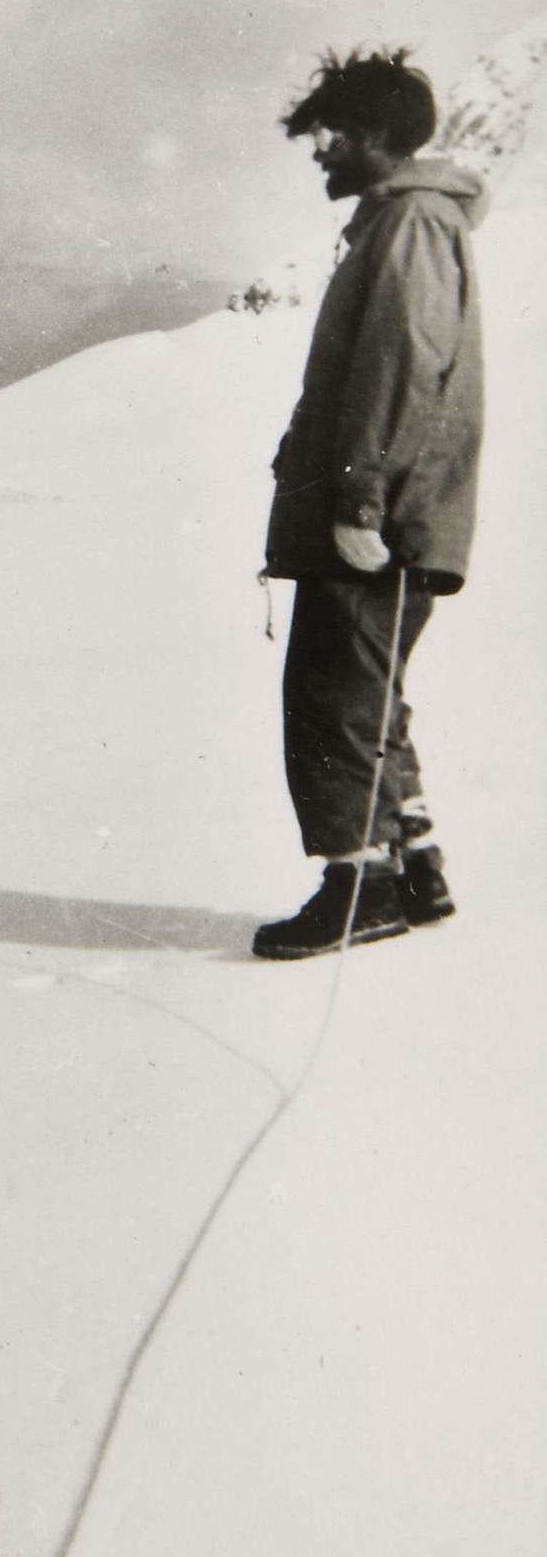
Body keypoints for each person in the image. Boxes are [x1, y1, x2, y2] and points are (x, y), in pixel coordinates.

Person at [253, 48, 486, 961]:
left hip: (381, 519)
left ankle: (361, 886)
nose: (322, 151)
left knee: (331, 696)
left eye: (334, 133)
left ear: (380, 137)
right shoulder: (401, 223)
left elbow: (401, 369)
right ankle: (414, 866)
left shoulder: (411, 227)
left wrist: (356, 502)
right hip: (392, 512)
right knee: (366, 690)